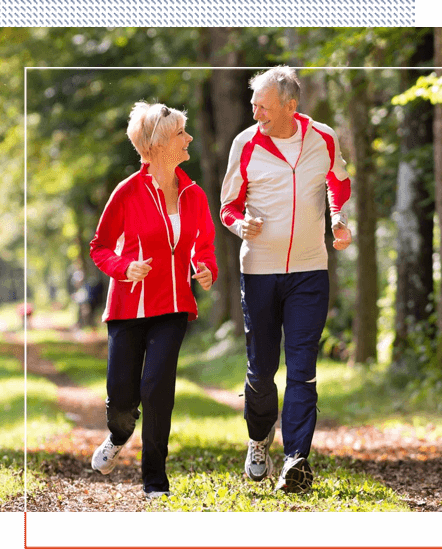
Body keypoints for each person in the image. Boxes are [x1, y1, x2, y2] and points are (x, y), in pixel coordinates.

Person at [220, 66, 352, 494]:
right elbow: (227, 206)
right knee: (261, 370)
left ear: (289, 107)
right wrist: (241, 226)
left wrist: (339, 219)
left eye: (263, 105)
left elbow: (339, 182)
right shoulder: (245, 144)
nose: (255, 111)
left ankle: (296, 458)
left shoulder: (323, 138)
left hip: (310, 271)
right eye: (253, 103)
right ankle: (259, 440)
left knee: (303, 368)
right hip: (259, 270)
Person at [90, 101, 218, 499]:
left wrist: (205, 268)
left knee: (157, 387)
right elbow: (100, 246)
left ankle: (154, 482)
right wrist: (124, 267)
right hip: (128, 308)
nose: (189, 138)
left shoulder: (193, 194)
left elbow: (204, 245)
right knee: (123, 398)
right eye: (181, 132)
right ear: (160, 142)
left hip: (174, 305)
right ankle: (118, 434)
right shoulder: (127, 192)